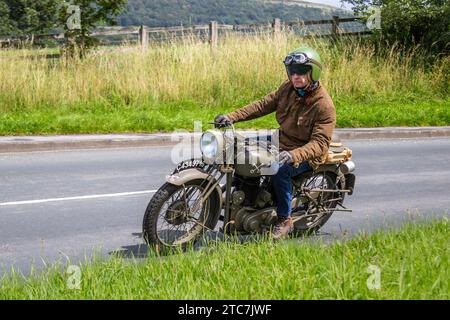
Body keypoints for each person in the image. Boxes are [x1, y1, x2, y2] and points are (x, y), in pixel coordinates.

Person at [214, 46, 336, 240]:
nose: (296, 75)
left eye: (302, 71)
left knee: (279, 168)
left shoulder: (324, 105)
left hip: (306, 153)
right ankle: (246, 193)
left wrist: (294, 155)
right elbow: (262, 105)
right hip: (281, 140)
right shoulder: (288, 88)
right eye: (292, 71)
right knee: (239, 148)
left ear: (314, 72)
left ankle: (284, 218)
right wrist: (231, 117)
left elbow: (320, 143)